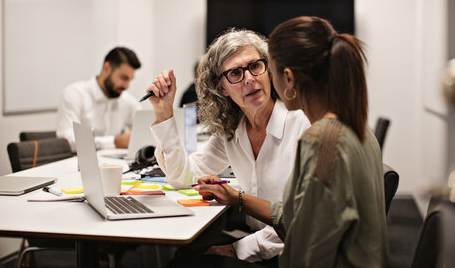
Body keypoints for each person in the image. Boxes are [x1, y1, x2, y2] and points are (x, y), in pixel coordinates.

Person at [186, 16, 389, 267]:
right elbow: (299, 217)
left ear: (289, 79)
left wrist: (239, 247)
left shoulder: (321, 140)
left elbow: (306, 248)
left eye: (264, 67)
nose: (256, 78)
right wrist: (237, 198)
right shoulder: (352, 126)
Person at [146, 29, 310, 264]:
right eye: (235, 73)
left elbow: (306, 218)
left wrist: (239, 249)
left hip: (294, 253)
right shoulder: (233, 130)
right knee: (184, 258)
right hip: (258, 240)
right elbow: (183, 178)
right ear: (221, 88)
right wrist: (163, 113)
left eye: (255, 66)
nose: (249, 79)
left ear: (269, 70)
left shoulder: (302, 125)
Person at [56, 46, 142, 152]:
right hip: (79, 165)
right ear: (106, 68)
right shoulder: (74, 94)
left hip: (118, 165)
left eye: (130, 80)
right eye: (124, 78)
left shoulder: (126, 99)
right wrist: (114, 142)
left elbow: (146, 127)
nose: (126, 86)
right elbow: (67, 141)